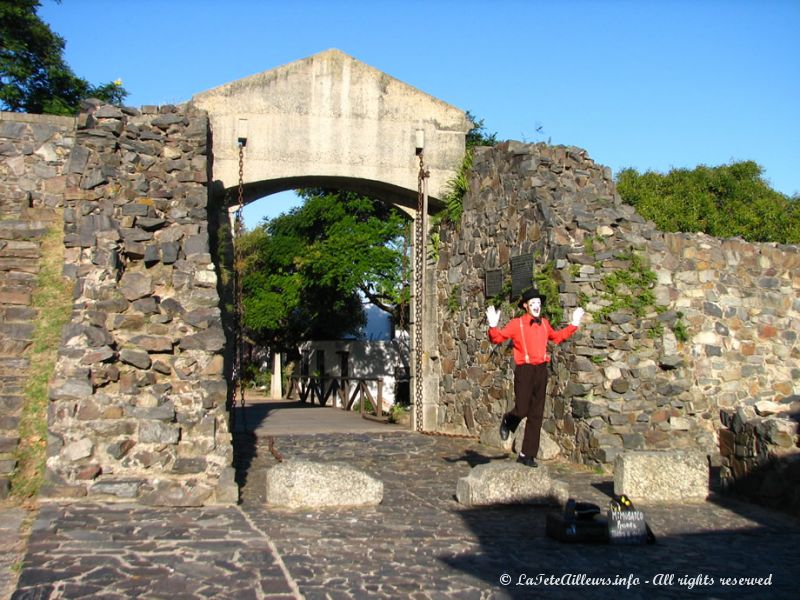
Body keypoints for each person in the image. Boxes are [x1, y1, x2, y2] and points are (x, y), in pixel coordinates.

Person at [486, 288, 584, 467]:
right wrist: (493, 327)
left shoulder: (544, 324)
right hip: (525, 369)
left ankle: (527, 454)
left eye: (539, 303)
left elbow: (556, 337)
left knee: (536, 414)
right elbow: (498, 339)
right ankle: (509, 419)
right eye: (533, 304)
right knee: (522, 408)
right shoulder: (517, 324)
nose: (537, 307)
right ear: (525, 306)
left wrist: (573, 324)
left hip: (541, 370)